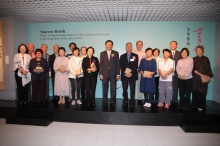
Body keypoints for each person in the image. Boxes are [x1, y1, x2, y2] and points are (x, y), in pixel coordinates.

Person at [99, 40, 120, 107]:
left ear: (112, 46)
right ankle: (105, 101)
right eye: (107, 45)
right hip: (104, 74)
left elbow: (117, 64)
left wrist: (118, 74)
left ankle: (112, 101)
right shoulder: (102, 53)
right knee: (104, 88)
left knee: (113, 88)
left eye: (110, 45)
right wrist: (101, 74)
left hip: (113, 74)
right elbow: (101, 64)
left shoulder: (115, 53)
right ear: (105, 45)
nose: (109, 46)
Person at [192, 45, 213, 111]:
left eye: (200, 50)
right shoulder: (193, 59)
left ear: (202, 51)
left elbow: (208, 69)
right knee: (195, 91)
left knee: (202, 92)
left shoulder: (206, 59)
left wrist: (208, 76)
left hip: (203, 79)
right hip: (195, 78)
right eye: (197, 50)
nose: (198, 51)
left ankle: (201, 106)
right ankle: (194, 105)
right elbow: (193, 69)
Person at [120, 42, 138, 108]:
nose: (129, 47)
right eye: (127, 46)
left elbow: (135, 65)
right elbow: (121, 66)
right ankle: (125, 101)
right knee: (124, 89)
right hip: (124, 76)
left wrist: (131, 73)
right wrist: (125, 73)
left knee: (132, 89)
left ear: (132, 47)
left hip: (132, 75)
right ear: (125, 47)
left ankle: (132, 101)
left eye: (130, 46)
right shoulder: (122, 56)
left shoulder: (135, 56)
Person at [132, 40, 146, 105]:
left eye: (140, 44)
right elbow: (131, 61)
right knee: (133, 85)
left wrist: (141, 70)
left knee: (139, 85)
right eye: (138, 44)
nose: (139, 45)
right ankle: (133, 98)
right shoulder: (132, 52)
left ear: (142, 45)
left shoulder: (144, 53)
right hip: (133, 71)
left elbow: (145, 63)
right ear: (136, 45)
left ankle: (139, 99)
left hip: (141, 71)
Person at [169, 41, 181, 107]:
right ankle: (168, 99)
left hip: (176, 73)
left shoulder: (179, 54)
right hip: (168, 74)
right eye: (171, 44)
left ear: (177, 45)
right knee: (168, 87)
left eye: (174, 44)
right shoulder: (167, 53)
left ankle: (174, 100)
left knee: (175, 87)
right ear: (169, 45)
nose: (173, 45)